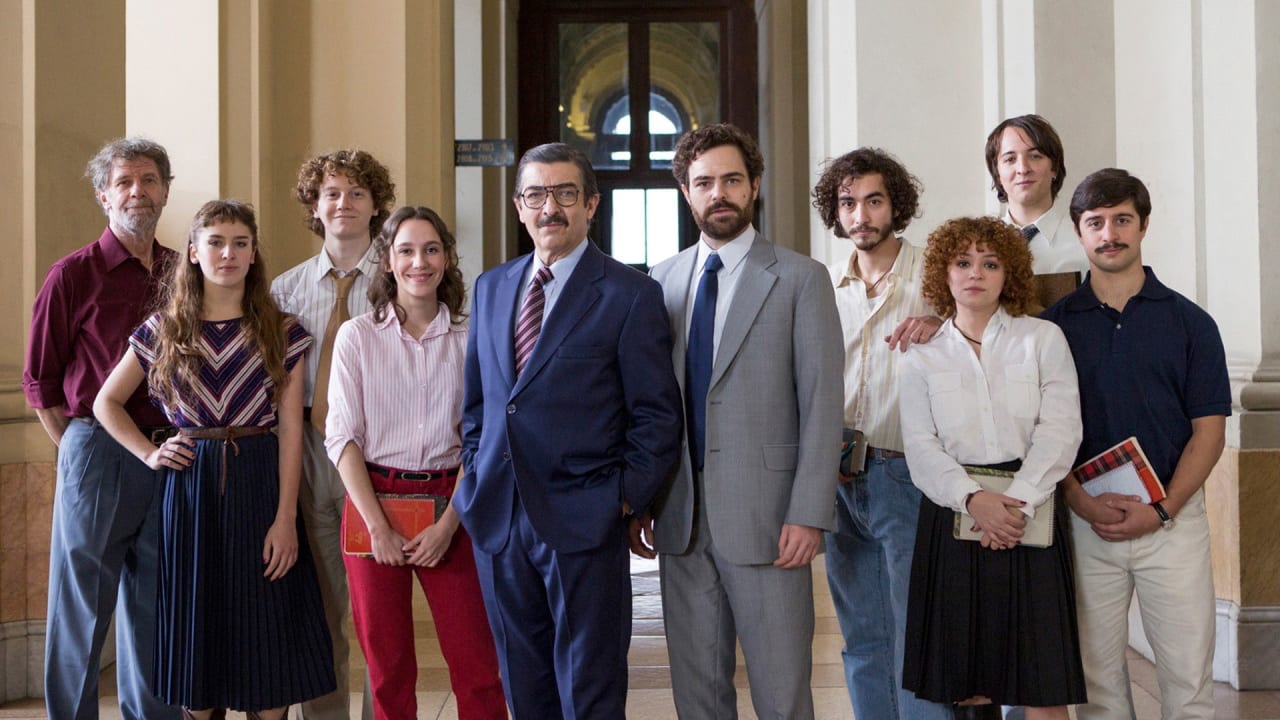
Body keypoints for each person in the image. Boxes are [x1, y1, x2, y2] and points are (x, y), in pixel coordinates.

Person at [459, 142, 683, 718]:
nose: (549, 207)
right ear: (518, 206)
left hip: (585, 520)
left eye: (563, 193)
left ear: (591, 204)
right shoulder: (491, 288)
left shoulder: (630, 294)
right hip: (500, 519)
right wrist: (475, 467)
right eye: (535, 194)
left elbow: (656, 415)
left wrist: (622, 498)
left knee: (590, 687)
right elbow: (481, 403)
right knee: (523, 685)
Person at [94, 200, 336, 719]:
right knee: (195, 627)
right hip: (189, 487)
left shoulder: (281, 329)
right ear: (194, 253)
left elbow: (291, 428)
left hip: (261, 480)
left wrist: (285, 518)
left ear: (253, 255)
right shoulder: (164, 329)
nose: (228, 253)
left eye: (241, 243)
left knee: (266, 626)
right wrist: (151, 452)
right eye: (216, 242)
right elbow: (105, 403)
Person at [637, 123, 843, 719]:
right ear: (686, 192)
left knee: (782, 696)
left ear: (754, 186)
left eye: (731, 180)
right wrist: (644, 500)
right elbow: (653, 405)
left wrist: (808, 511)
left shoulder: (800, 279)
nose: (718, 193)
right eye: (704, 182)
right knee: (697, 696)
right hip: (681, 518)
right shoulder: (662, 280)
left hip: (772, 521)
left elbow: (824, 404)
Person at [1041, 169, 1229, 720]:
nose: (1109, 234)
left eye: (1122, 219)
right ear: (1079, 233)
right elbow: (1046, 433)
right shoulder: (1053, 329)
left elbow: (1210, 432)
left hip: (1173, 521)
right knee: (1096, 683)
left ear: (1143, 225)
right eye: (1095, 223)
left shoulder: (1192, 324)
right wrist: (1079, 501)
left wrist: (1163, 510)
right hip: (1085, 521)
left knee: (1188, 679)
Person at [899, 216, 1086, 719]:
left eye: (989, 262)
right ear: (944, 272)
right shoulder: (922, 357)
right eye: (962, 262)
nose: (974, 273)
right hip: (955, 512)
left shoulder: (1042, 339)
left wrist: (1016, 504)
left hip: (1032, 510)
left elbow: (1061, 428)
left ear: (1009, 273)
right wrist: (974, 501)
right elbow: (920, 446)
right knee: (969, 684)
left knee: (1042, 683)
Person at [22, 137, 183, 720]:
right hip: (97, 447)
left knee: (156, 604)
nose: (137, 191)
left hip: (170, 451)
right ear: (103, 196)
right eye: (124, 182)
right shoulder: (72, 275)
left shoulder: (181, 271)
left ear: (166, 191)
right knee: (82, 606)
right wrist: (78, 452)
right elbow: (40, 381)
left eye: (148, 180)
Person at [325, 206, 506, 719]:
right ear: (387, 260)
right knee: (388, 670)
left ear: (447, 258)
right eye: (406, 250)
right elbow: (341, 437)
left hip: (455, 504)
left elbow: (484, 438)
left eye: (431, 249)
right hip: (373, 501)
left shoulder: (472, 338)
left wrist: (451, 524)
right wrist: (376, 526)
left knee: (477, 665)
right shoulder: (357, 337)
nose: (418, 262)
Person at [809, 147, 952, 720]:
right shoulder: (820, 285)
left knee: (917, 630)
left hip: (908, 473)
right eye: (848, 202)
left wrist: (943, 324)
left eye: (873, 200)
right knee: (862, 633)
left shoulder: (937, 278)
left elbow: (992, 338)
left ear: (897, 206)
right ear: (835, 211)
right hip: (839, 473)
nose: (861, 214)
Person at [271, 149, 395, 720]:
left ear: (375, 206)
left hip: (381, 459)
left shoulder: (403, 276)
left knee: (377, 612)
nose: (343, 203)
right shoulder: (284, 291)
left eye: (356, 194)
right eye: (331, 194)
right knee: (321, 612)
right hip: (310, 459)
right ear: (315, 207)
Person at [985, 114, 1088, 309]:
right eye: (1010, 159)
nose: (1023, 168)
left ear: (1054, 167)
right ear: (997, 174)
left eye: (1035, 156)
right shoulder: (978, 245)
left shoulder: (1086, 241)